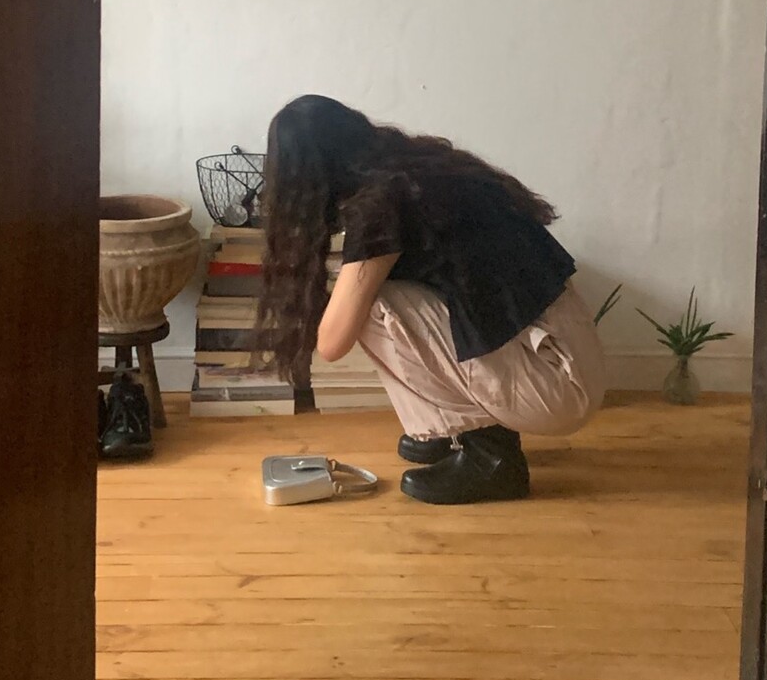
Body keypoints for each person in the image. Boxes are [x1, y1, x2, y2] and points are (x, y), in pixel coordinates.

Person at [258, 95, 606, 505]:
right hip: (565, 357)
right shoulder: (417, 170)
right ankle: (451, 431)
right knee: (388, 290)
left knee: (374, 306)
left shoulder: (380, 206)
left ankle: (492, 460)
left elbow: (333, 343)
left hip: (556, 386)